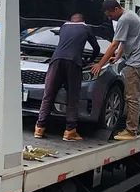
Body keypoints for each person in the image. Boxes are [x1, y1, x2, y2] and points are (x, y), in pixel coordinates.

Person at [91, 0, 140, 141]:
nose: (109, 18)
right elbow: (124, 42)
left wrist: (100, 64)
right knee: (132, 95)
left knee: (132, 97)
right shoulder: (130, 15)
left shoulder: (124, 19)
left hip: (137, 61)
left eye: (110, 15)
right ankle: (131, 129)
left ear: (116, 9)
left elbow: (114, 44)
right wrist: (117, 57)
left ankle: (131, 131)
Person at [35, 13, 99, 142]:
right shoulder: (86, 28)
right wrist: (89, 60)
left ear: (70, 20)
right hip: (73, 63)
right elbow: (96, 48)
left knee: (48, 95)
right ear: (83, 20)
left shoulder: (63, 27)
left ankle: (39, 128)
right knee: (72, 97)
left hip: (56, 61)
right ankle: (70, 131)